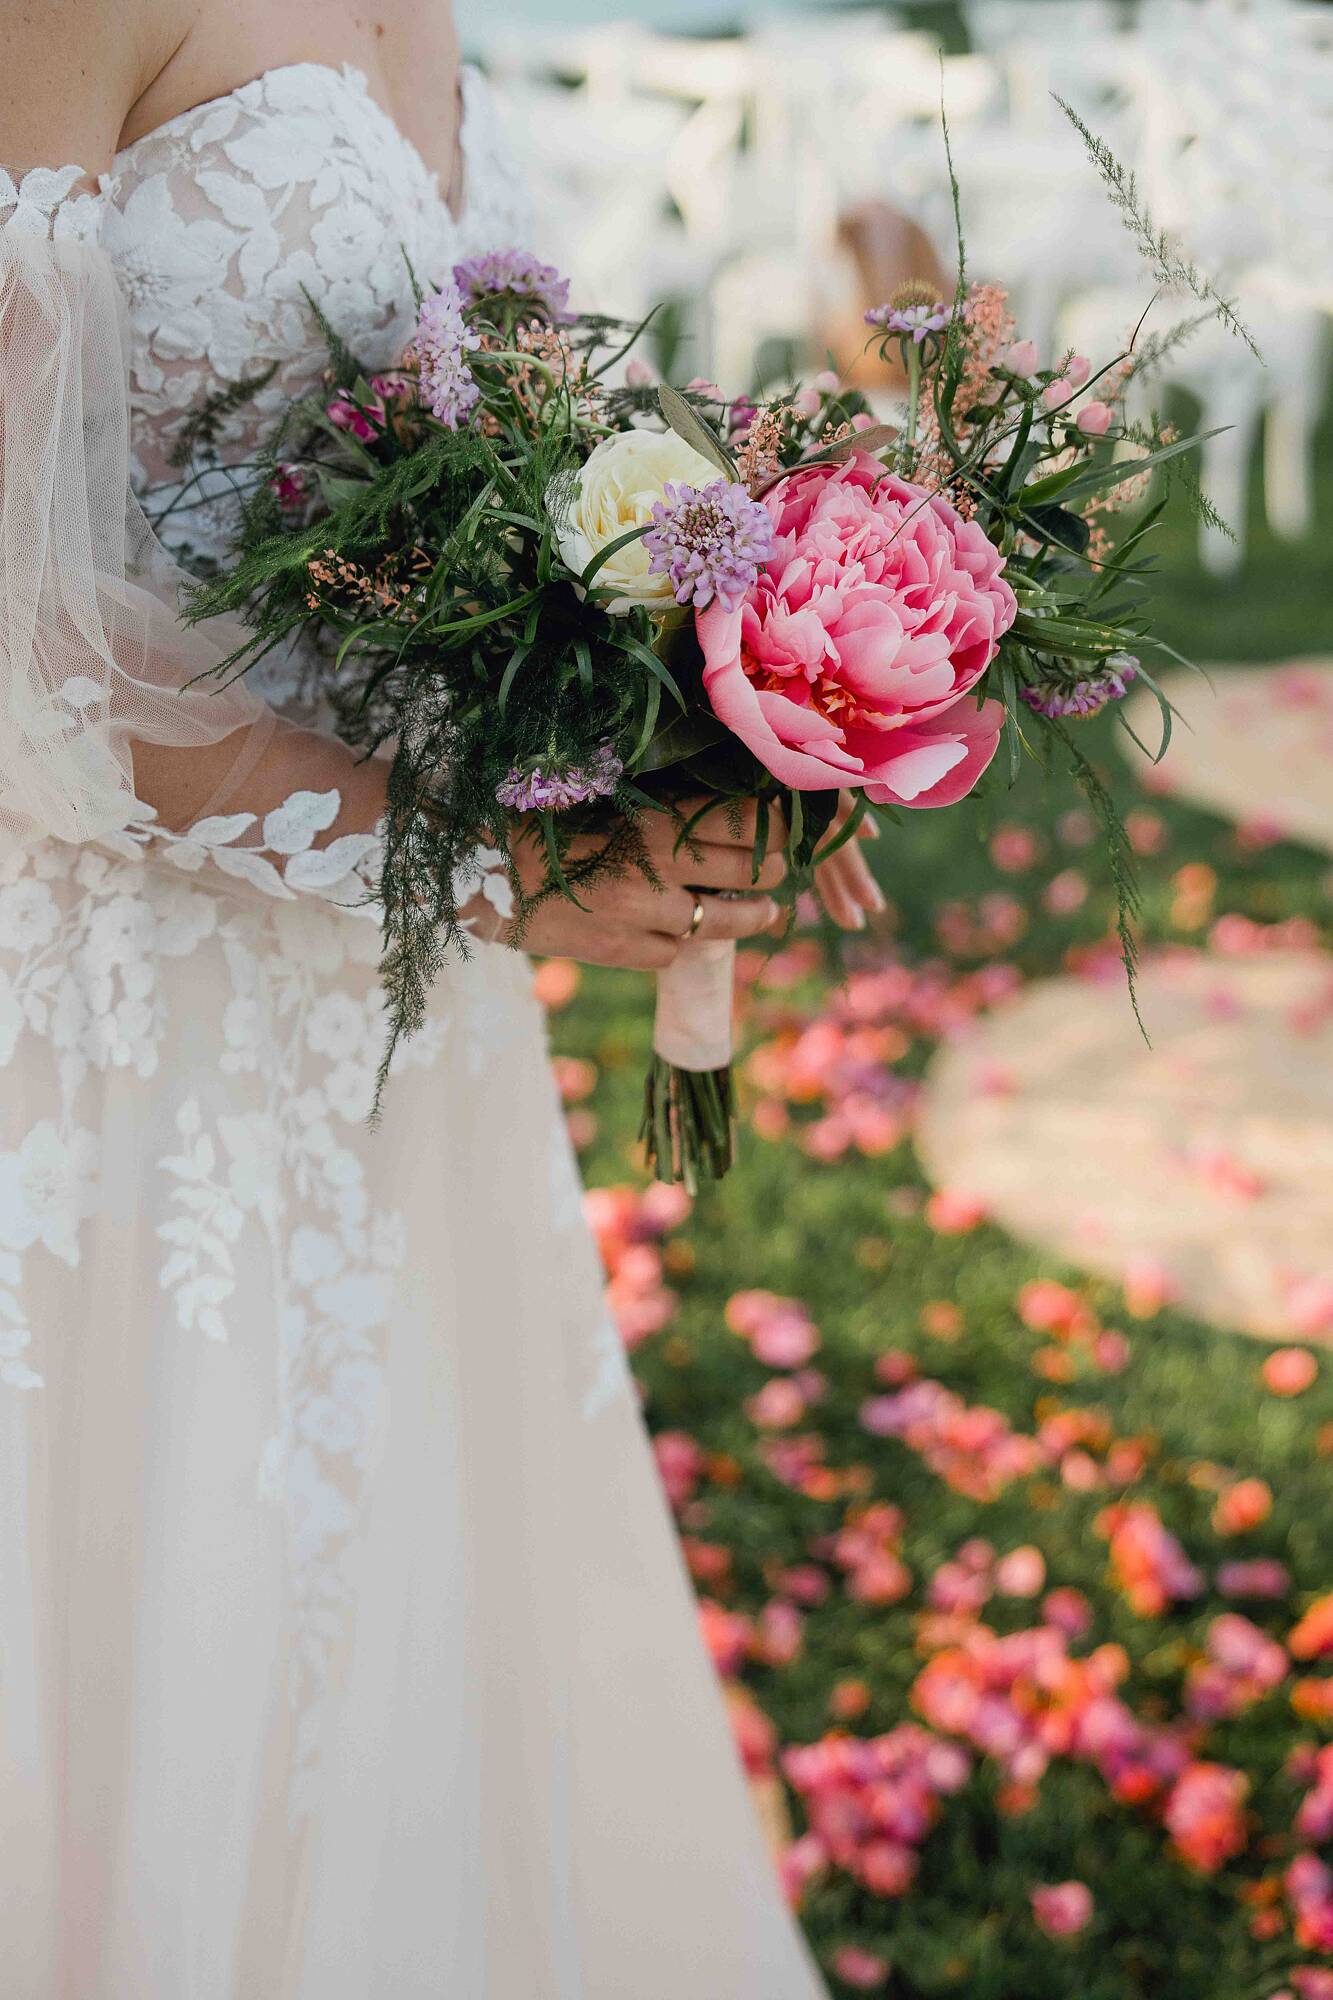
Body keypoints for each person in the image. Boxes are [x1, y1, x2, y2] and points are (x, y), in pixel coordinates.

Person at [0, 4, 879, 1992]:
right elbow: (13, 614)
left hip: (388, 1021)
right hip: (129, 1038)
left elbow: (401, 517)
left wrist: (688, 730)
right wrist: (478, 860)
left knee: (379, 1665)